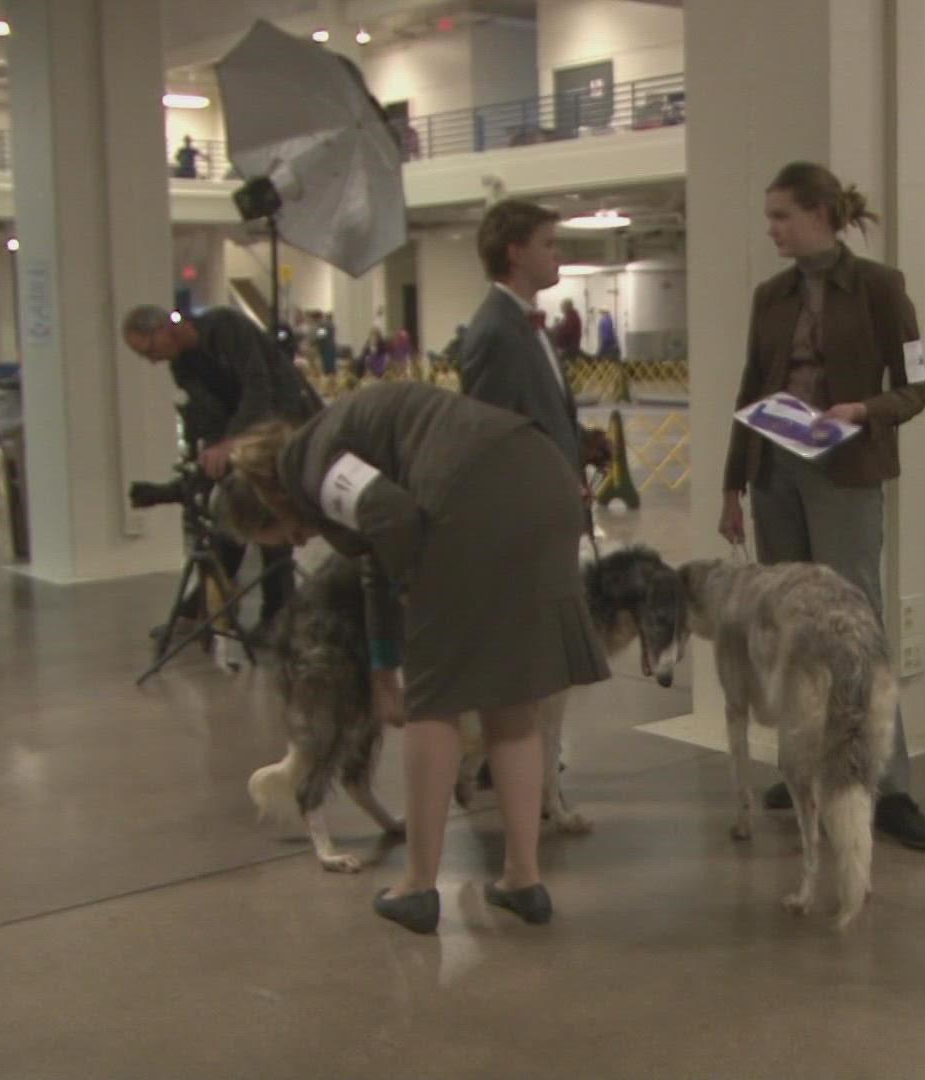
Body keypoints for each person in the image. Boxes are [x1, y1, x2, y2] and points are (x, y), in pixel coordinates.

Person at [216, 382, 610, 933]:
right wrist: (383, 667)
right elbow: (373, 559)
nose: (295, 543)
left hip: (472, 495)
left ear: (270, 503)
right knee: (512, 698)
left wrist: (417, 599)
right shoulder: (334, 437)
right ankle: (523, 880)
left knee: (434, 703)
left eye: (279, 535)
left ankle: (418, 887)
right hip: (547, 482)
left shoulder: (310, 465)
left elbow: (394, 519)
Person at [717, 161, 925, 851]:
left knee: (856, 625)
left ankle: (889, 785)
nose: (772, 229)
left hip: (846, 472)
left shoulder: (880, 287)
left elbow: (916, 389)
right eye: (770, 217)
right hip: (774, 474)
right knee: (789, 626)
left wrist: (863, 409)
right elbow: (750, 389)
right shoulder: (770, 296)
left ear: (820, 214)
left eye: (782, 216)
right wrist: (731, 485)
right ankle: (804, 767)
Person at [121, 304, 322, 640]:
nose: (152, 360)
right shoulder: (182, 366)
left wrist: (231, 442)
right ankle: (207, 606)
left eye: (150, 349)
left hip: (286, 428)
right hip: (248, 441)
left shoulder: (226, 327)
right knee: (229, 514)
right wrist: (210, 453)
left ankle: (277, 614)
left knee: (272, 518)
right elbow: (208, 416)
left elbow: (259, 387)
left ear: (163, 329)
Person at [459, 198, 608, 484]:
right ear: (516, 254)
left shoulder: (529, 323)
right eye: (548, 244)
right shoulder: (496, 333)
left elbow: (538, 417)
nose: (558, 254)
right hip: (533, 503)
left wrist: (582, 443)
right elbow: (491, 439)